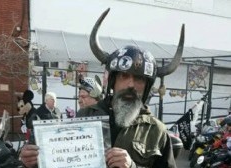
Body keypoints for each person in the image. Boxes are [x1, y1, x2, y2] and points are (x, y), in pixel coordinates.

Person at [19, 8, 184, 168]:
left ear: (147, 86)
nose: (131, 84)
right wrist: (34, 163)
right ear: (113, 81)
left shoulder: (157, 131)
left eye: (139, 79)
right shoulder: (85, 116)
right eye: (124, 76)